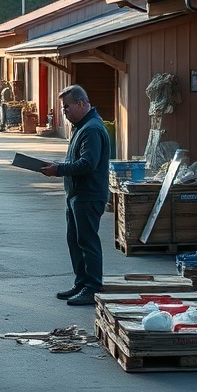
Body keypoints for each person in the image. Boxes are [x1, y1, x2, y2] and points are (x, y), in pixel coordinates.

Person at [39, 85, 111, 306]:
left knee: (87, 241)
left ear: (81, 104)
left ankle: (92, 287)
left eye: (67, 107)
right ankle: (81, 282)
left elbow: (87, 164)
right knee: (75, 240)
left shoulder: (91, 129)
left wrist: (59, 169)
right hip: (76, 195)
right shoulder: (81, 126)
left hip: (88, 195)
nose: (64, 112)